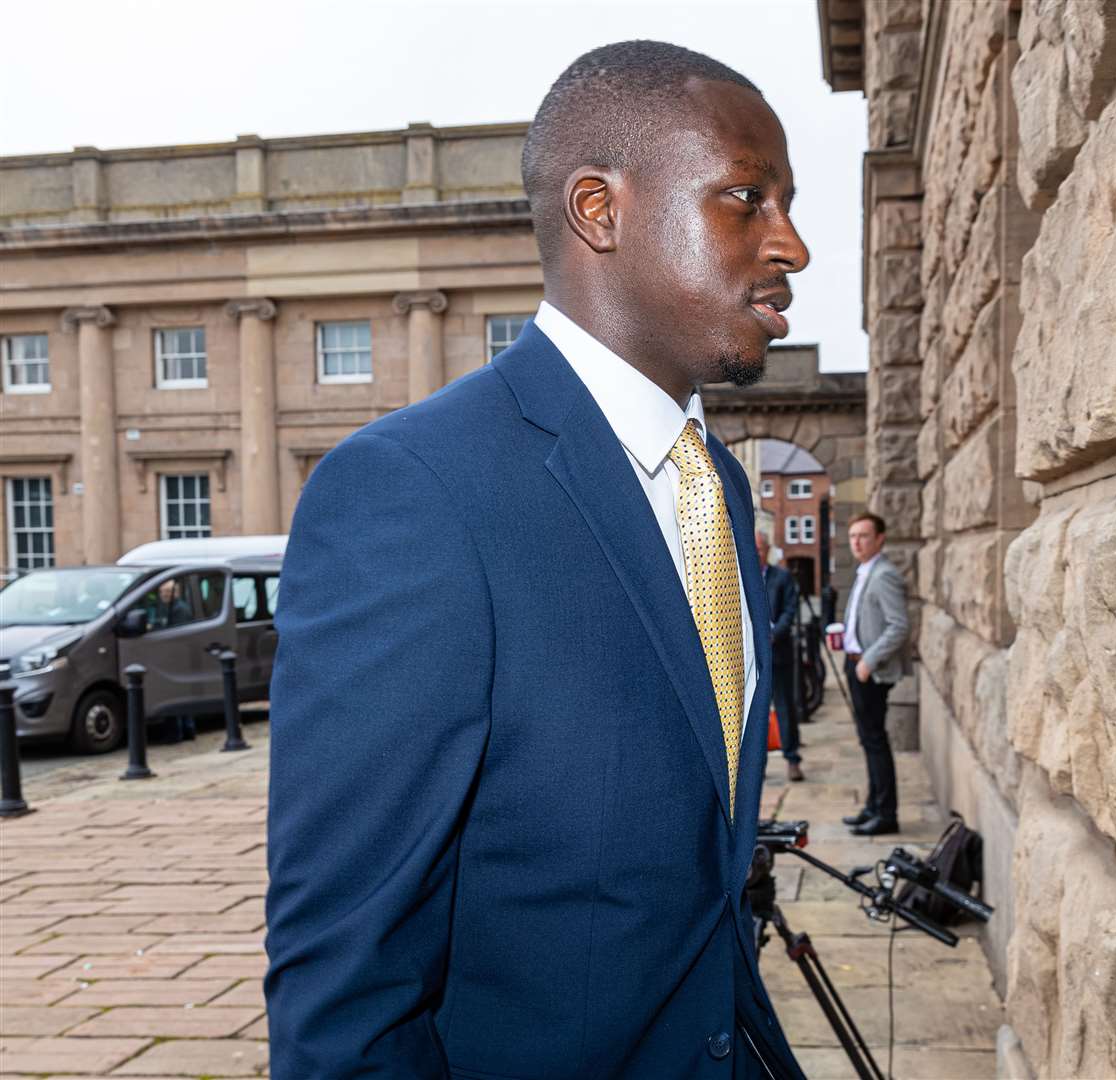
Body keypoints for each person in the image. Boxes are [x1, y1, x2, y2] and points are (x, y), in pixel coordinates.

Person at [264, 41, 809, 1079]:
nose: (791, 244)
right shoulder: (414, 491)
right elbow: (345, 981)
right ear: (598, 210)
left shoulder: (717, 484)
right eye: (747, 197)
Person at [840, 512, 909, 837]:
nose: (856, 542)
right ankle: (872, 805)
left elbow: (899, 626)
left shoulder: (883, 575)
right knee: (868, 741)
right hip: (855, 664)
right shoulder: (865, 571)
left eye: (863, 536)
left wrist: (867, 661)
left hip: (870, 671)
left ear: (879, 538)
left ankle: (886, 814)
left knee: (876, 741)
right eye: (853, 536)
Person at [756, 531, 803, 782]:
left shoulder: (782, 578)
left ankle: (792, 758)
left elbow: (790, 610)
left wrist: (774, 634)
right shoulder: (740, 577)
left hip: (779, 653)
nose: (756, 554)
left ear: (768, 550)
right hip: (753, 660)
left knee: (785, 708)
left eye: (760, 549)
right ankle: (757, 766)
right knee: (756, 715)